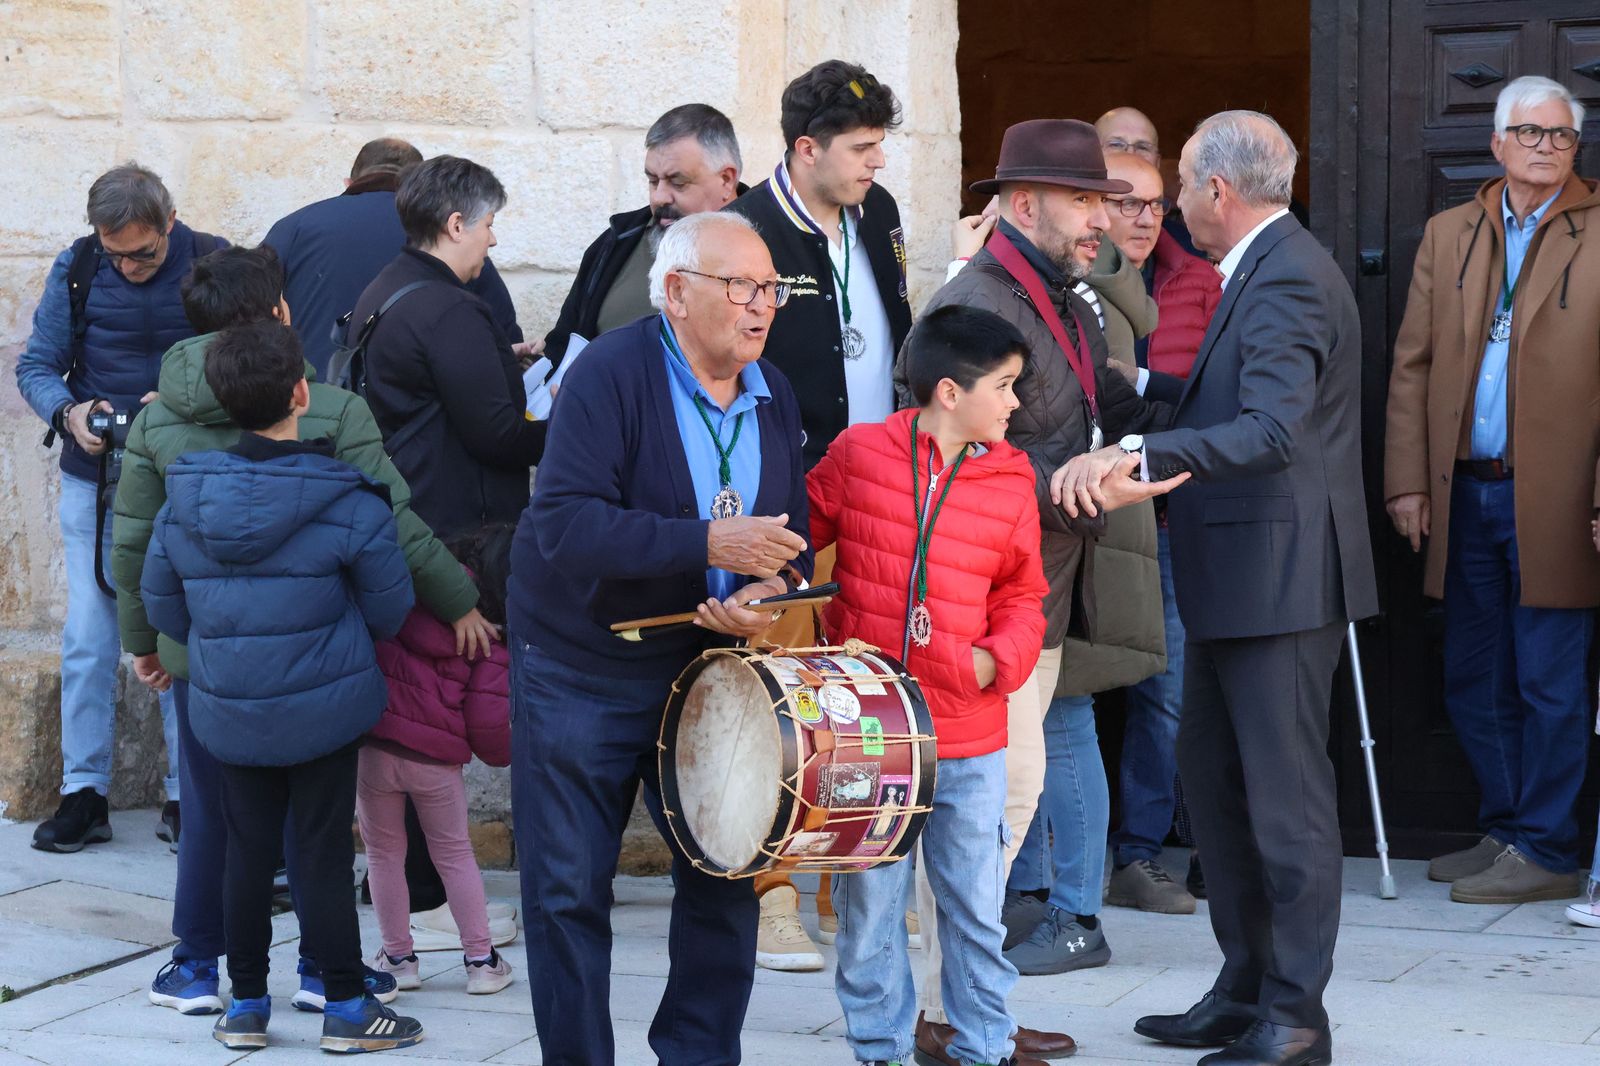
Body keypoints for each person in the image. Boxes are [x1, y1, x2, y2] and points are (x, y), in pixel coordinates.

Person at [1061, 110, 1377, 1066]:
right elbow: (1229, 398)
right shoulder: (1265, 268)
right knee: (1220, 789)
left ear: (1217, 192)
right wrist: (1138, 382)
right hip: (1237, 577)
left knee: (1283, 805)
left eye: (1184, 184)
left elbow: (1272, 431)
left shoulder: (1287, 278)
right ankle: (1242, 989)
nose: (1177, 205)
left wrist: (1140, 448)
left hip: (1280, 580)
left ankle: (1295, 1018)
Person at [111, 244, 488, 1017]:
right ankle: (324, 972)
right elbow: (396, 528)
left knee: (216, 814)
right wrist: (458, 598)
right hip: (319, 654)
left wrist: (147, 640)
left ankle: (198, 969)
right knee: (317, 825)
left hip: (206, 656)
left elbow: (135, 542)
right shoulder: (329, 406)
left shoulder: (158, 419)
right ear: (281, 314)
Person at [505, 211, 812, 1066]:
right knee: (568, 890)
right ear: (677, 292)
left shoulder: (774, 389)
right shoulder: (610, 374)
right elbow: (564, 524)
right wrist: (705, 546)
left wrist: (767, 589)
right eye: (742, 287)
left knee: (724, 873)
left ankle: (699, 1054)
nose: (762, 307)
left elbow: (796, 537)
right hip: (582, 667)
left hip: (713, 669)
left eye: (772, 289)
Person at [906, 119, 1176, 1057]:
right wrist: (1072, 486)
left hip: (1038, 597)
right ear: (1025, 204)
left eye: (1104, 199)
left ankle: (957, 1009)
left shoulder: (1072, 295)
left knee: (1001, 813)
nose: (1103, 218)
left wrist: (1206, 396)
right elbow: (947, 458)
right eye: (1084, 200)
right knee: (983, 817)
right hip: (984, 610)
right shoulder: (978, 299)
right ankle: (947, 1015)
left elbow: (1103, 405)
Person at [140, 321, 422, 1053]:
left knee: (245, 847)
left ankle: (245, 1007)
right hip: (326, 707)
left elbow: (163, 603)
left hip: (227, 705)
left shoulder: (184, 500)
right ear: (303, 392)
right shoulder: (350, 500)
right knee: (321, 851)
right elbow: (390, 609)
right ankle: (349, 1010)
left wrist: (220, 653)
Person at [812, 305, 1051, 1066]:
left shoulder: (1011, 474)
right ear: (949, 391)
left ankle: (986, 1047)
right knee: (870, 913)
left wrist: (993, 663)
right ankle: (879, 1051)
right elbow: (794, 538)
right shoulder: (859, 454)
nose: (1015, 403)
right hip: (870, 735)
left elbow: (1024, 594)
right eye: (1005, 386)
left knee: (975, 909)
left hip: (971, 734)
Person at [1385, 75, 1599, 905]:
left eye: (1561, 136)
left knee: (1550, 677)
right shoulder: (1450, 233)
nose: (1546, 147)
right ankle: (1506, 828)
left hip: (1558, 499)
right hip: (1465, 493)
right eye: (1531, 132)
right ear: (1498, 142)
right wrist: (1406, 479)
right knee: (1473, 673)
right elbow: (1411, 365)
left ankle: (1546, 845)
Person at [727, 57, 912, 969]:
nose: (877, 164)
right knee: (779, 697)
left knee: (859, 694)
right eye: (863, 149)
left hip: (879, 492)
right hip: (789, 500)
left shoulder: (876, 214)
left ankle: (848, 881)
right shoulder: (748, 231)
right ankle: (772, 896)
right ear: (806, 148)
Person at [15, 164, 218, 853]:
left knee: (178, 628)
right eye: (115, 253)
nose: (129, 266)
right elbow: (37, 365)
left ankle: (188, 797)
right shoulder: (77, 267)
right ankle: (84, 792)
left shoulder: (214, 260)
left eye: (144, 252)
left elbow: (257, 361)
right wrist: (70, 412)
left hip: (185, 477)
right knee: (89, 636)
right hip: (94, 478)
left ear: (171, 223)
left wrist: (189, 405)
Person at [1095, 150, 1222, 915]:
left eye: (1153, 203)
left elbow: (1215, 401)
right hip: (1085, 517)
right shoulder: (1067, 287)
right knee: (1066, 698)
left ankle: (1140, 854)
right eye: (1125, 202)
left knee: (1165, 693)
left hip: (1168, 520)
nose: (1144, 217)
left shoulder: (1200, 283)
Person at [351, 155, 544, 537]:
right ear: (456, 225)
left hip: (412, 507)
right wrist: (572, 421)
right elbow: (499, 438)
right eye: (488, 225)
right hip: (459, 534)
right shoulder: (451, 311)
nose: (492, 239)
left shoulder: (386, 284)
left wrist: (497, 358)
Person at [360, 524, 515, 997]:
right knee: (453, 853)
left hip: (376, 748)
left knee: (383, 855)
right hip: (436, 762)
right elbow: (491, 727)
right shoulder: (485, 630)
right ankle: (481, 962)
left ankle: (400, 957)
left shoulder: (395, 597)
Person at [263, 137, 524, 379]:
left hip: (307, 405)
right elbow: (503, 335)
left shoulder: (293, 228)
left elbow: (244, 309)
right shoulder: (447, 236)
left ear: (348, 184)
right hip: (410, 411)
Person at [541, 104, 745, 365]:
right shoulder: (617, 242)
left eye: (678, 182)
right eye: (652, 180)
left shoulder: (771, 246)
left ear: (727, 180)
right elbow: (563, 344)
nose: (659, 197)